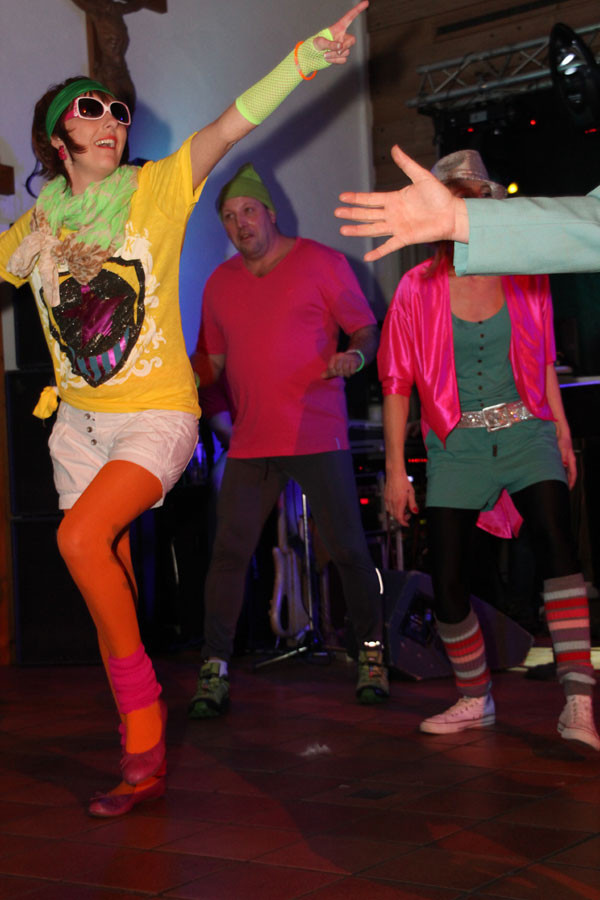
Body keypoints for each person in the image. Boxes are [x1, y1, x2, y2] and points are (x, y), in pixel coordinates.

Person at [0, 0, 369, 818]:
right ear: (58, 138)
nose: (112, 119)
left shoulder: (157, 188)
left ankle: (145, 725)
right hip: (77, 428)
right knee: (111, 592)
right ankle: (142, 757)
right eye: (90, 110)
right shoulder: (38, 226)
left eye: (118, 110)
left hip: (156, 417)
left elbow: (229, 125)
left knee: (77, 539)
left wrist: (304, 60)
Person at [377, 150, 599, 750]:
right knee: (446, 576)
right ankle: (475, 697)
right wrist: (396, 470)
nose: (466, 211)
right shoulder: (416, 288)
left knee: (558, 548)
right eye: (456, 200)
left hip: (526, 429)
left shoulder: (524, 272)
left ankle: (578, 702)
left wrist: (558, 427)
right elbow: (396, 380)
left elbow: (543, 355)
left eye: (475, 200)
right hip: (457, 444)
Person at [188, 161, 389, 719]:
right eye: (230, 217)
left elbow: (366, 329)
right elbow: (211, 365)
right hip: (252, 443)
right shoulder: (219, 284)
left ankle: (372, 654)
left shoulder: (322, 263)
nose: (241, 224)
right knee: (228, 553)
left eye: (248, 211)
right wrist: (164, 375)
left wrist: (355, 357)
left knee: (347, 548)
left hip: (317, 433)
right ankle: (214, 667)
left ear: (271, 213)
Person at [334, 144, 600, 274]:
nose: (478, 201)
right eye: (465, 196)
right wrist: (458, 217)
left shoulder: (523, 277)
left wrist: (459, 217)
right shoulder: (417, 284)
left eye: (484, 194)